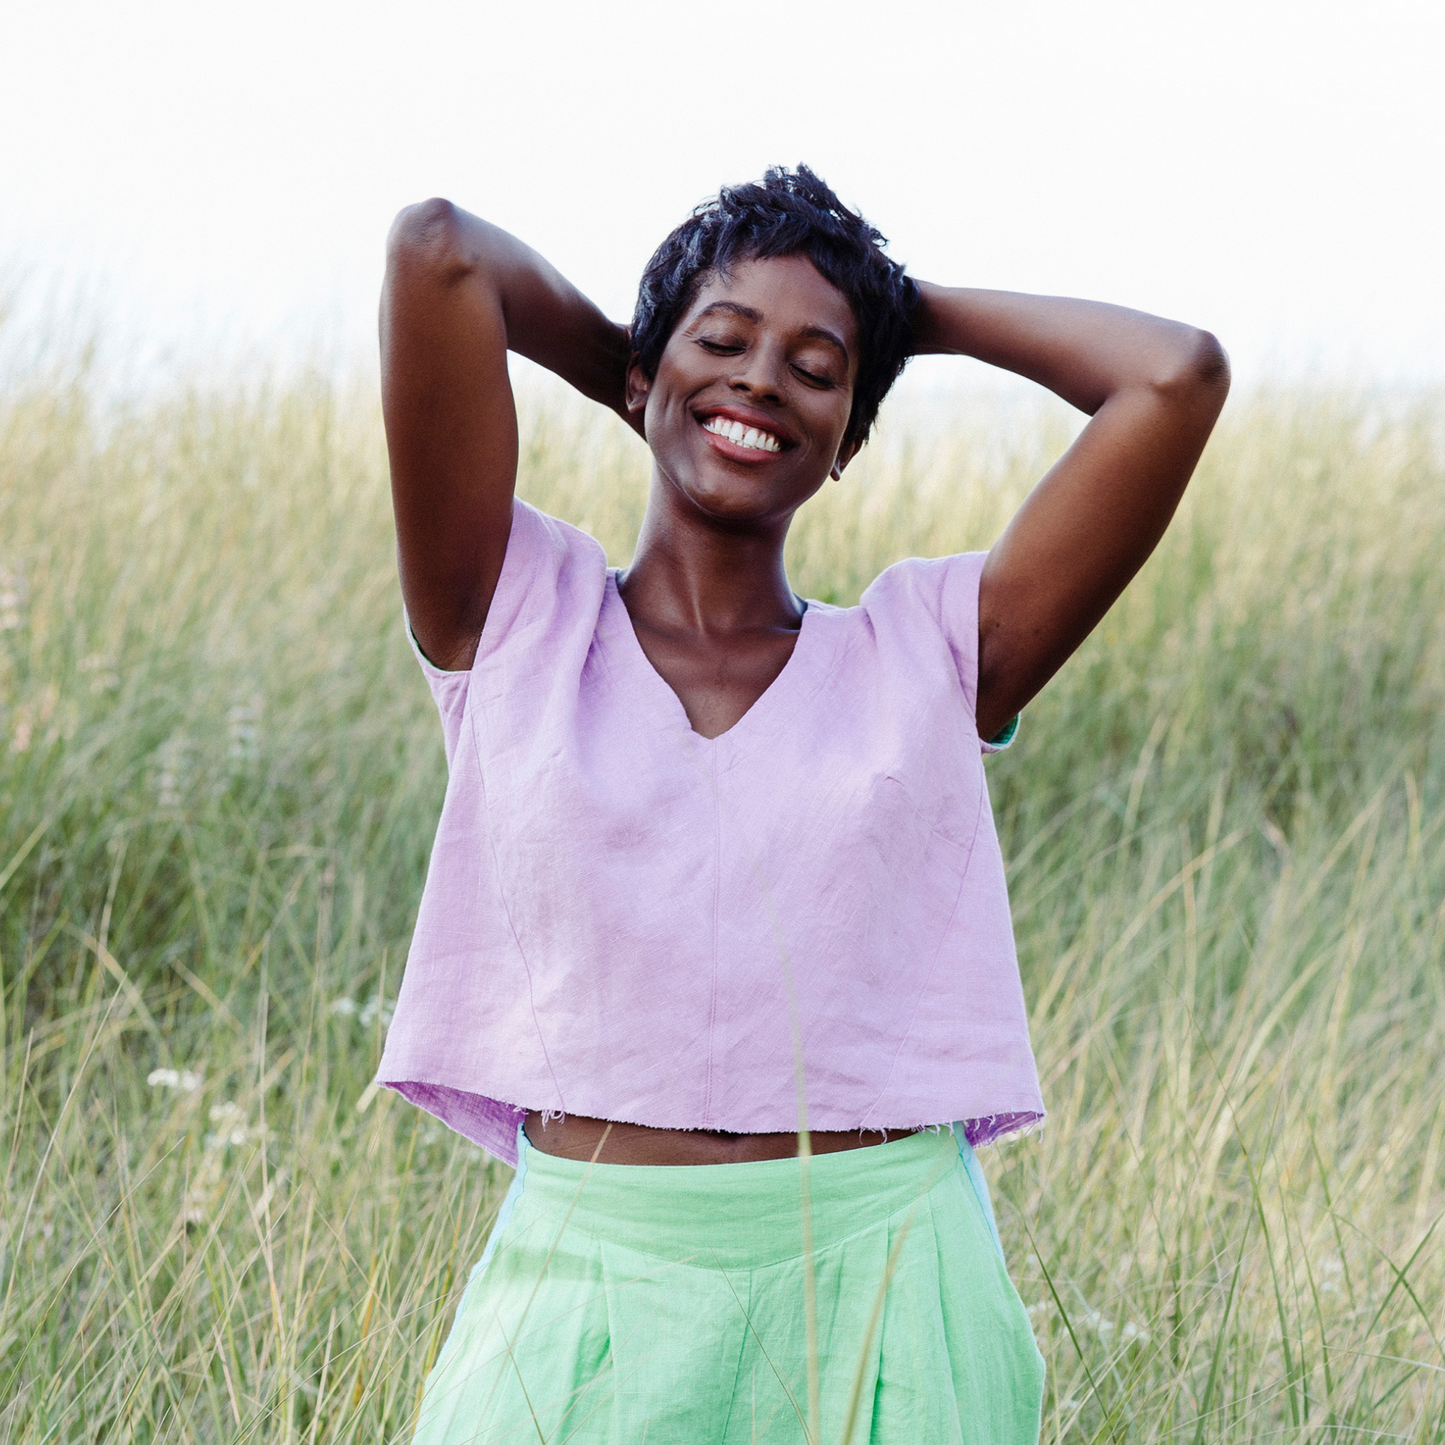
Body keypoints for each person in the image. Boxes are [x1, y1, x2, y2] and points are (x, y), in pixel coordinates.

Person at [375, 166, 1229, 1444]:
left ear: (846, 441)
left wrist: (895, 312)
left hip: (888, 1276)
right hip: (594, 1271)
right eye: (724, 342)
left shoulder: (933, 650)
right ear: (640, 376)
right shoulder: (511, 617)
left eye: (815, 370)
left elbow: (1171, 375)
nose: (763, 378)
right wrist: (648, 365)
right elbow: (437, 252)